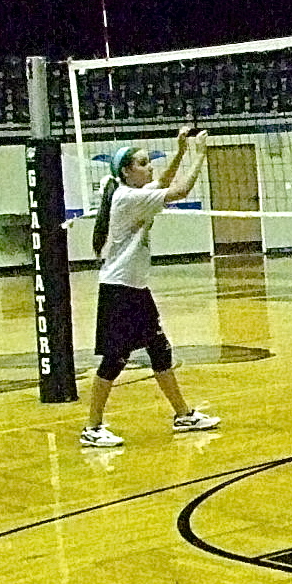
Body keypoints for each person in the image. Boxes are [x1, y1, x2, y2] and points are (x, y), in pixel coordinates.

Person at [80, 128, 221, 448]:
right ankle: (92, 427)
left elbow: (162, 182)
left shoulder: (133, 193)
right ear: (127, 172)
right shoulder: (128, 198)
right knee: (114, 360)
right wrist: (200, 154)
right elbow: (180, 190)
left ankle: (183, 415)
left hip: (135, 288)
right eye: (143, 164)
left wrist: (180, 150)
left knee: (159, 349)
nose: (150, 167)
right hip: (119, 290)